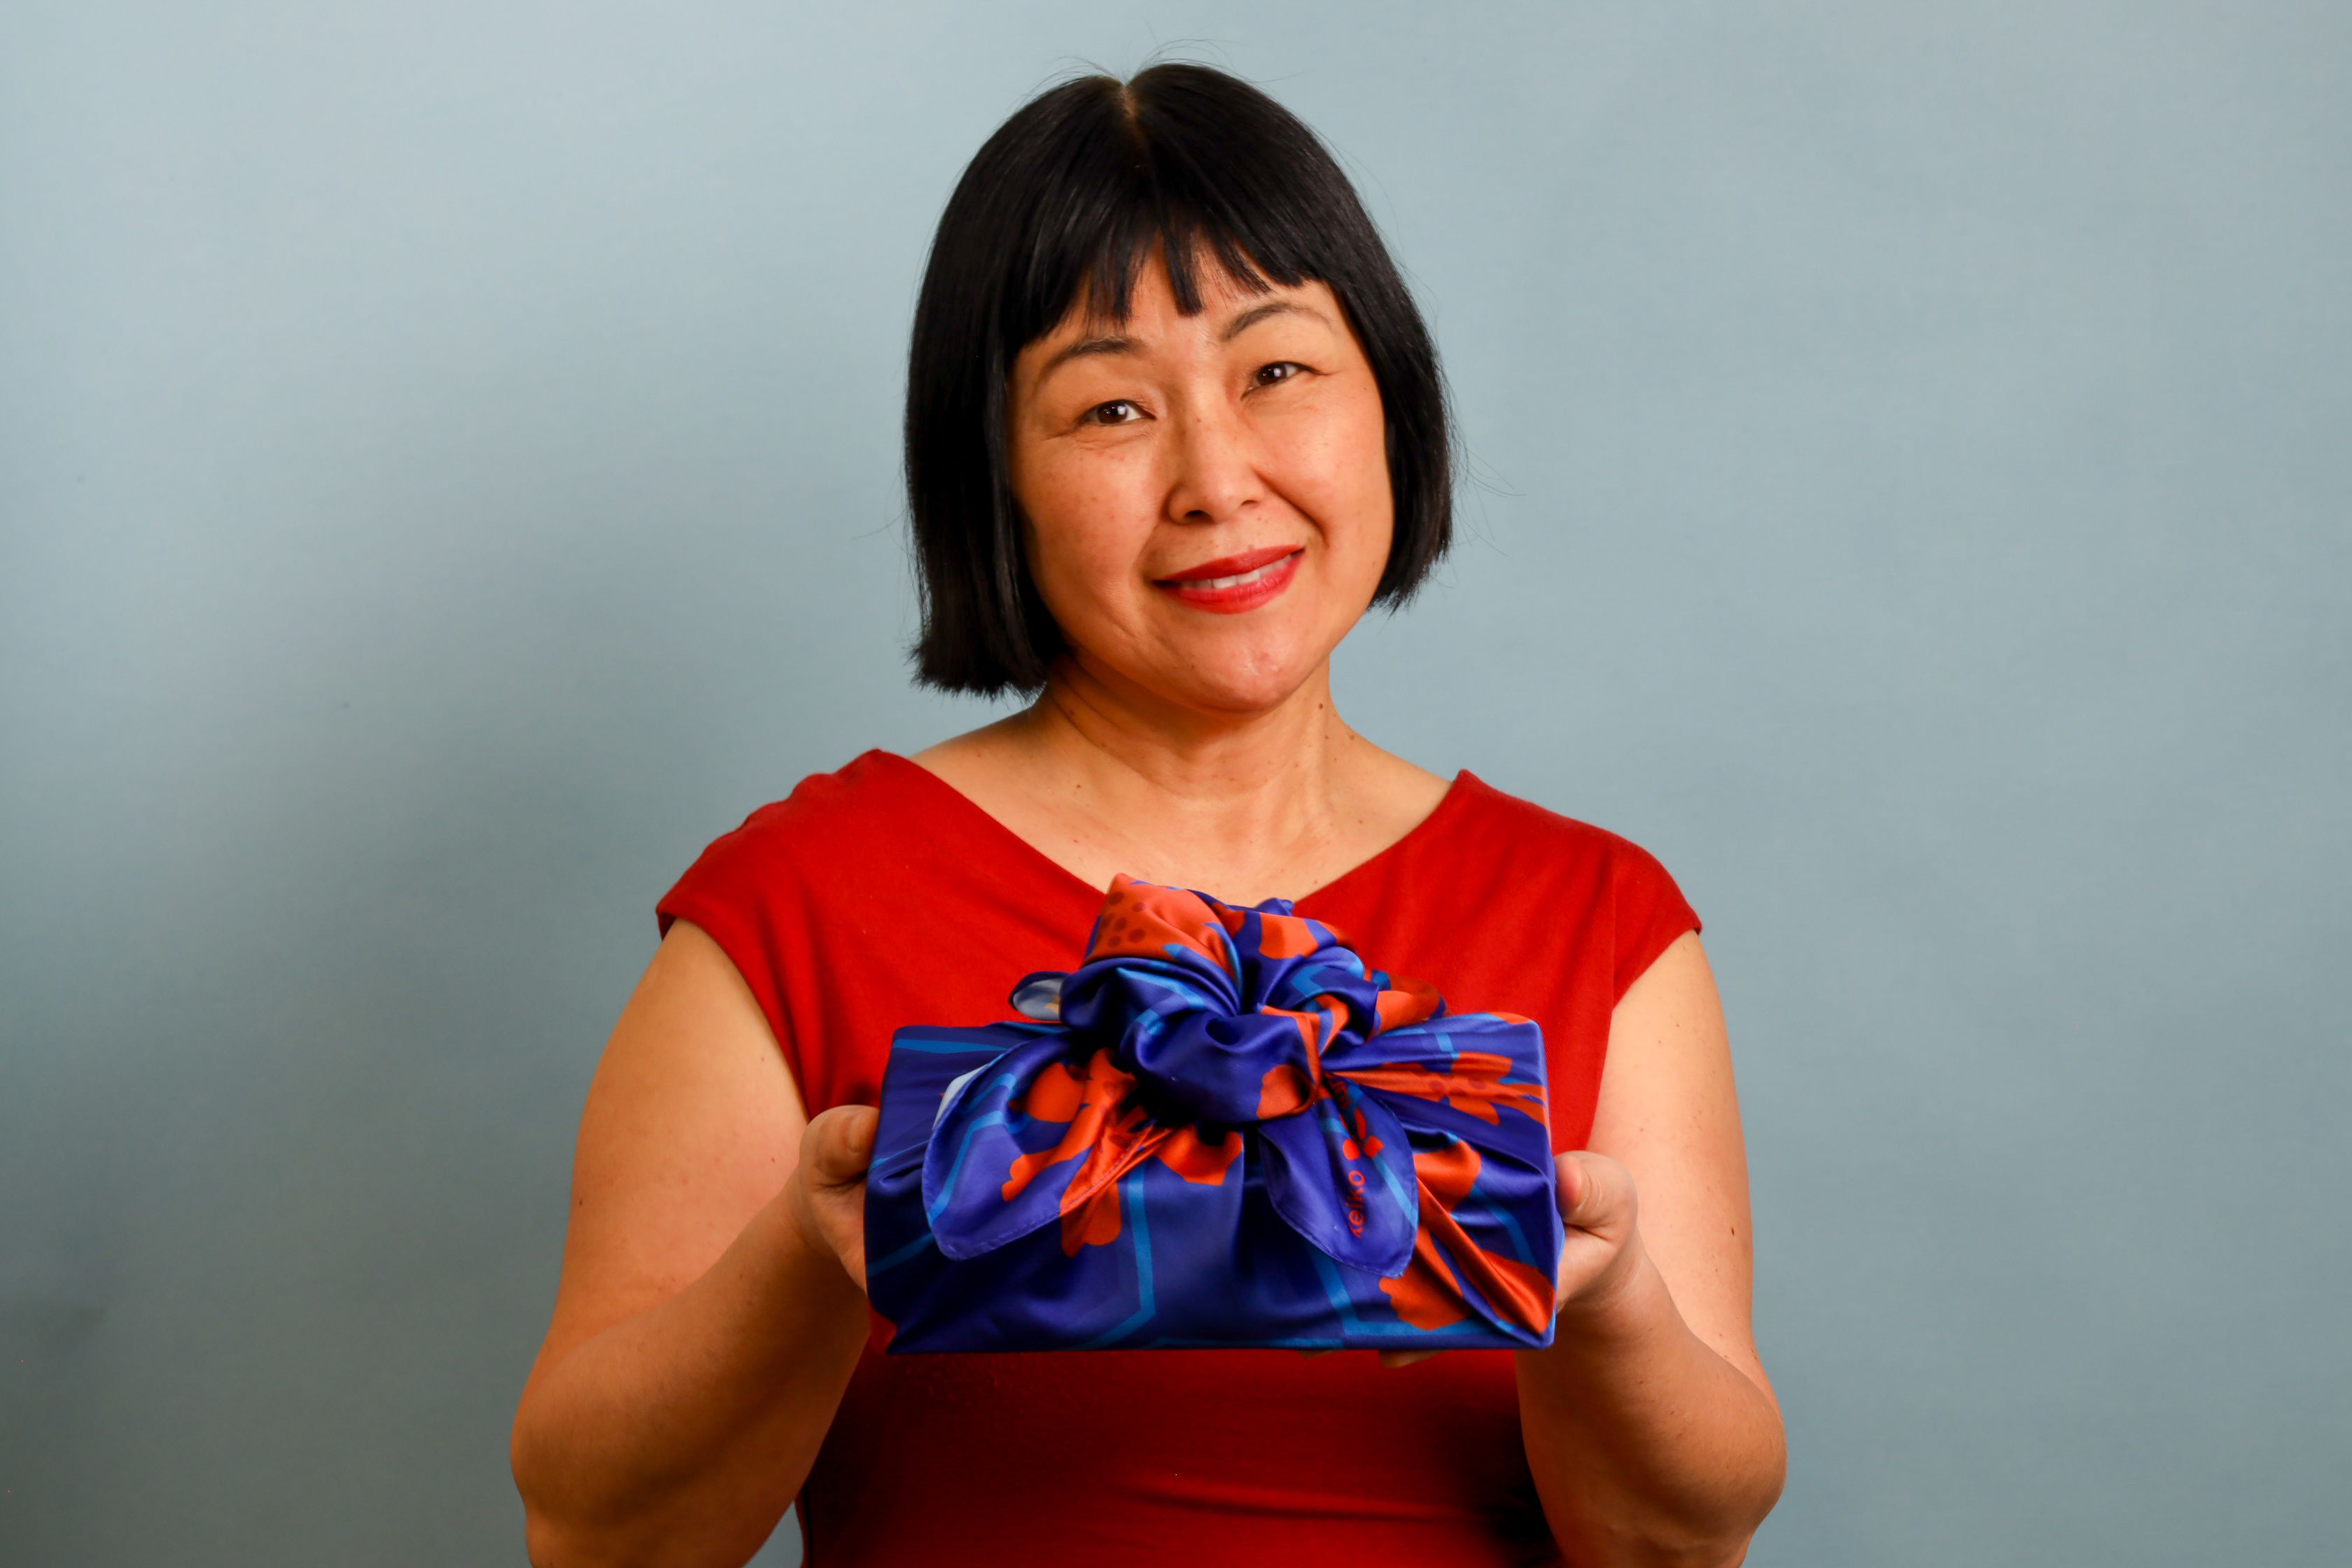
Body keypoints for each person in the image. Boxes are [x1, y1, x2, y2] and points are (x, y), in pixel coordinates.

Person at [510, 61, 1785, 1568]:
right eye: (1111, 407)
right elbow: (598, 1535)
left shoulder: (1600, 920)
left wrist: (1612, 1300)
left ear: (1390, 398)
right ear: (996, 480)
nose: (1216, 477)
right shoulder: (796, 907)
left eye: (1279, 372)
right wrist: (807, 1251)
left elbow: (1678, 1545)